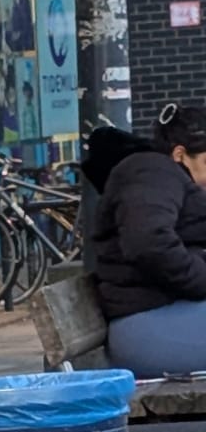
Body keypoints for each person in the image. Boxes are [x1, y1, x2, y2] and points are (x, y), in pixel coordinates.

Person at [87, 103, 206, 376]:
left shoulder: (163, 176)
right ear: (180, 154)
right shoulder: (151, 172)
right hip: (149, 328)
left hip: (167, 317)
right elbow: (149, 242)